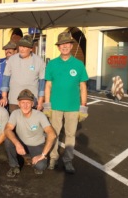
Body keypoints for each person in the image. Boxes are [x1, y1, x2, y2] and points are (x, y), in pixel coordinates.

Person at [44, 32, 89, 174]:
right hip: (55, 106)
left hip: (73, 107)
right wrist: (47, 105)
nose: (64, 46)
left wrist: (83, 107)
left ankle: (68, 161)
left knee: (70, 135)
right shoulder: (52, 64)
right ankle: (53, 157)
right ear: (58, 47)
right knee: (54, 133)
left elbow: (83, 87)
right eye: (61, 44)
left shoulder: (78, 64)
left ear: (71, 46)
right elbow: (48, 86)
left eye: (67, 44)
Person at [4, 89, 56, 177]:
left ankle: (31, 158)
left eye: (28, 102)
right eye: (23, 102)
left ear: (32, 104)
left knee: (41, 167)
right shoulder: (15, 113)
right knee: (8, 140)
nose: (25, 105)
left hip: (37, 145)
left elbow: (52, 134)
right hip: (22, 144)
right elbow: (7, 129)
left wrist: (43, 155)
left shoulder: (40, 115)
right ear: (18, 103)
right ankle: (14, 166)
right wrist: (17, 144)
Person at [0, 36, 46, 113]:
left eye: (24, 47)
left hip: (32, 101)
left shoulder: (39, 61)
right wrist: (4, 97)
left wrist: (40, 101)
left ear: (31, 48)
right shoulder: (12, 59)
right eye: (20, 46)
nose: (21, 49)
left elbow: (42, 83)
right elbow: (5, 80)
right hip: (14, 100)